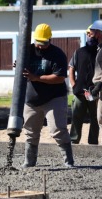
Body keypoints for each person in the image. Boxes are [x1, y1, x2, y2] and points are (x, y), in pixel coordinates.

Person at [21, 23, 74, 168]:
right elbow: (21, 67)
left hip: (54, 97)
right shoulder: (27, 51)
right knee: (30, 132)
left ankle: (68, 161)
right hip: (31, 99)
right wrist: (18, 65)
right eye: (38, 42)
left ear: (50, 40)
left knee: (57, 129)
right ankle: (29, 162)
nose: (40, 46)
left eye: (44, 43)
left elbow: (59, 78)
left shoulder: (57, 54)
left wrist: (36, 77)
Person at [69, 25, 99, 145]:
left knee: (95, 119)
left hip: (95, 92)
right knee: (76, 117)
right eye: (88, 34)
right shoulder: (79, 52)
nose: (89, 36)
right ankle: (73, 141)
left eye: (92, 34)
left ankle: (93, 143)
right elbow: (71, 68)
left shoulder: (100, 52)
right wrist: (73, 84)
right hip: (79, 92)